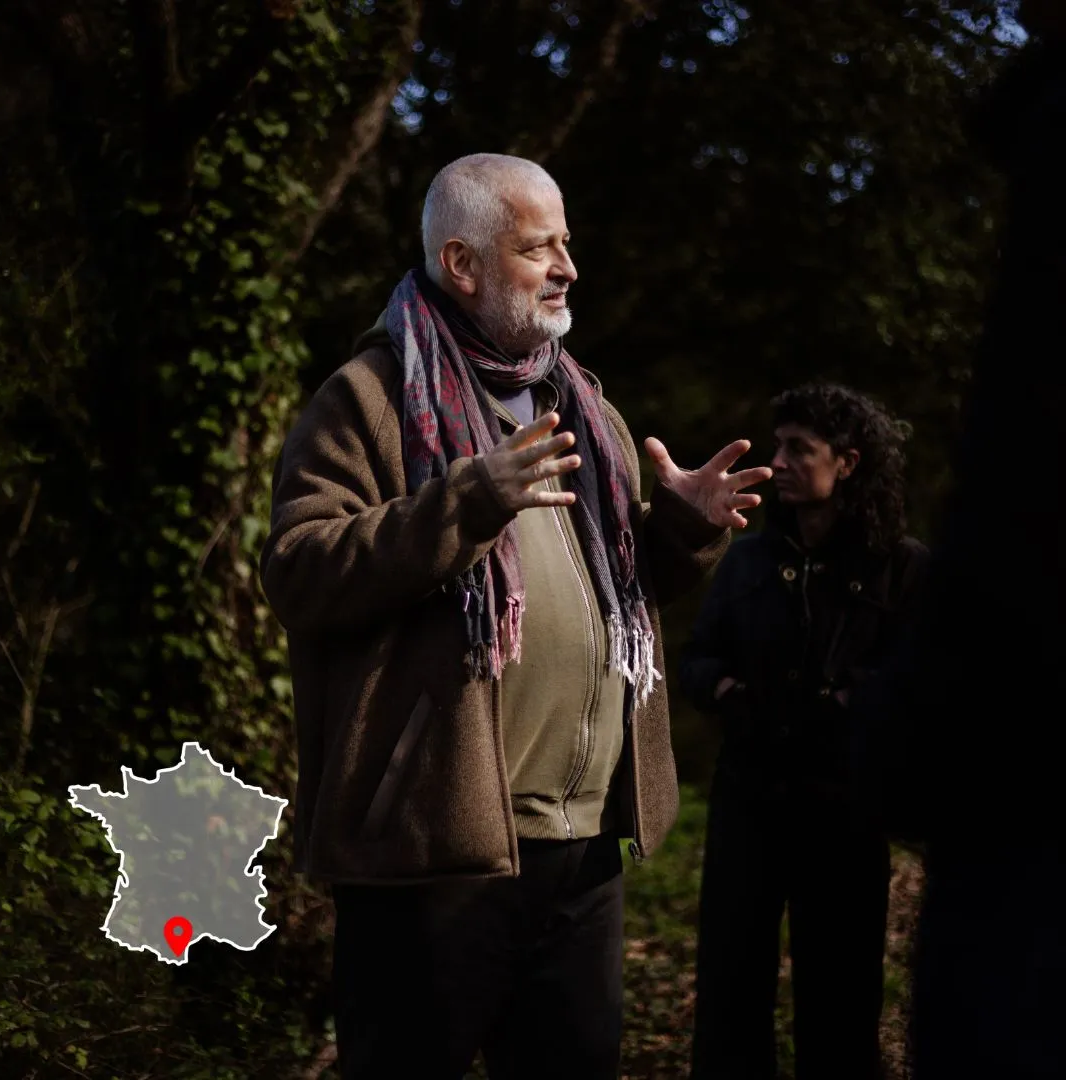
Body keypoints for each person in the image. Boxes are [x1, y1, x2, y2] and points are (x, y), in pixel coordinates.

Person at [259, 153, 772, 1080]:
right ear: (464, 264)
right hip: (434, 854)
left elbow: (611, 591)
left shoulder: (581, 403)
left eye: (566, 244)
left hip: (583, 852)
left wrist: (686, 534)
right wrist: (463, 503)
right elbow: (300, 571)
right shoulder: (368, 398)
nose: (569, 267)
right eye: (541, 248)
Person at [854, 5, 1066, 1076]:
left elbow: (1032, 489)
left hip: (1032, 787)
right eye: (540, 244)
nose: (565, 264)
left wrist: (921, 724)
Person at [680, 383, 930, 1080]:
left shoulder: (904, 567)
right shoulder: (752, 559)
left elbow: (927, 680)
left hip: (845, 810)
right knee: (731, 993)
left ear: (847, 462)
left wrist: (861, 699)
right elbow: (698, 658)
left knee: (841, 1003)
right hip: (749, 802)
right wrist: (726, 689)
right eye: (778, 445)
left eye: (800, 448)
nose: (780, 461)